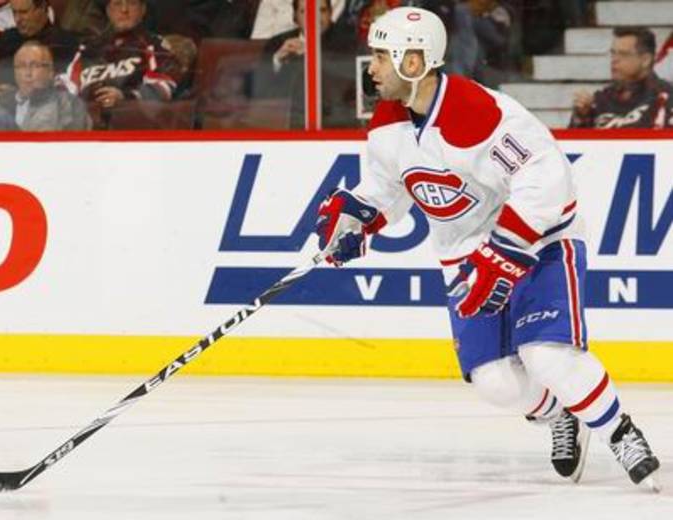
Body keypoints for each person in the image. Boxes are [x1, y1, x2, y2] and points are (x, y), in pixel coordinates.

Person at [314, 7, 661, 490]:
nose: (370, 67)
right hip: (465, 255)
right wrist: (358, 218)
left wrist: (506, 251)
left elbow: (547, 175)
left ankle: (621, 433)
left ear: (412, 62)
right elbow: (388, 188)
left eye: (379, 57)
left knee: (546, 355)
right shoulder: (387, 123)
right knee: (495, 382)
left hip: (538, 240)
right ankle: (561, 415)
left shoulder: (476, 112)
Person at [66, 0, 184, 129]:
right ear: (108, 11)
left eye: (132, 3)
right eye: (117, 3)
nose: (124, 10)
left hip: (133, 127)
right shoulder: (87, 49)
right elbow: (66, 87)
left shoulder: (154, 44)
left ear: (143, 10)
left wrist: (126, 98)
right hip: (84, 129)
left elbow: (164, 85)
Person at [258, 0, 356, 128]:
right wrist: (277, 61)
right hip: (284, 122)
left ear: (331, 13)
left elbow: (346, 83)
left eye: (322, 10)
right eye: (305, 11)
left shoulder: (348, 41)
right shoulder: (276, 43)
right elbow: (259, 90)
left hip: (332, 122)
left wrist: (311, 54)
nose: (315, 17)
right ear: (295, 17)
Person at [570, 27, 673, 129]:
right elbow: (574, 139)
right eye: (613, 53)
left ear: (645, 60)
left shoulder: (666, 99)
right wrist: (582, 117)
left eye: (623, 54)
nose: (614, 60)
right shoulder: (600, 99)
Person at [0, 41, 92, 130]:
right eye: (21, 66)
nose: (27, 73)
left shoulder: (68, 104)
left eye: (35, 65)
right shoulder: (2, 103)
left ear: (50, 71)